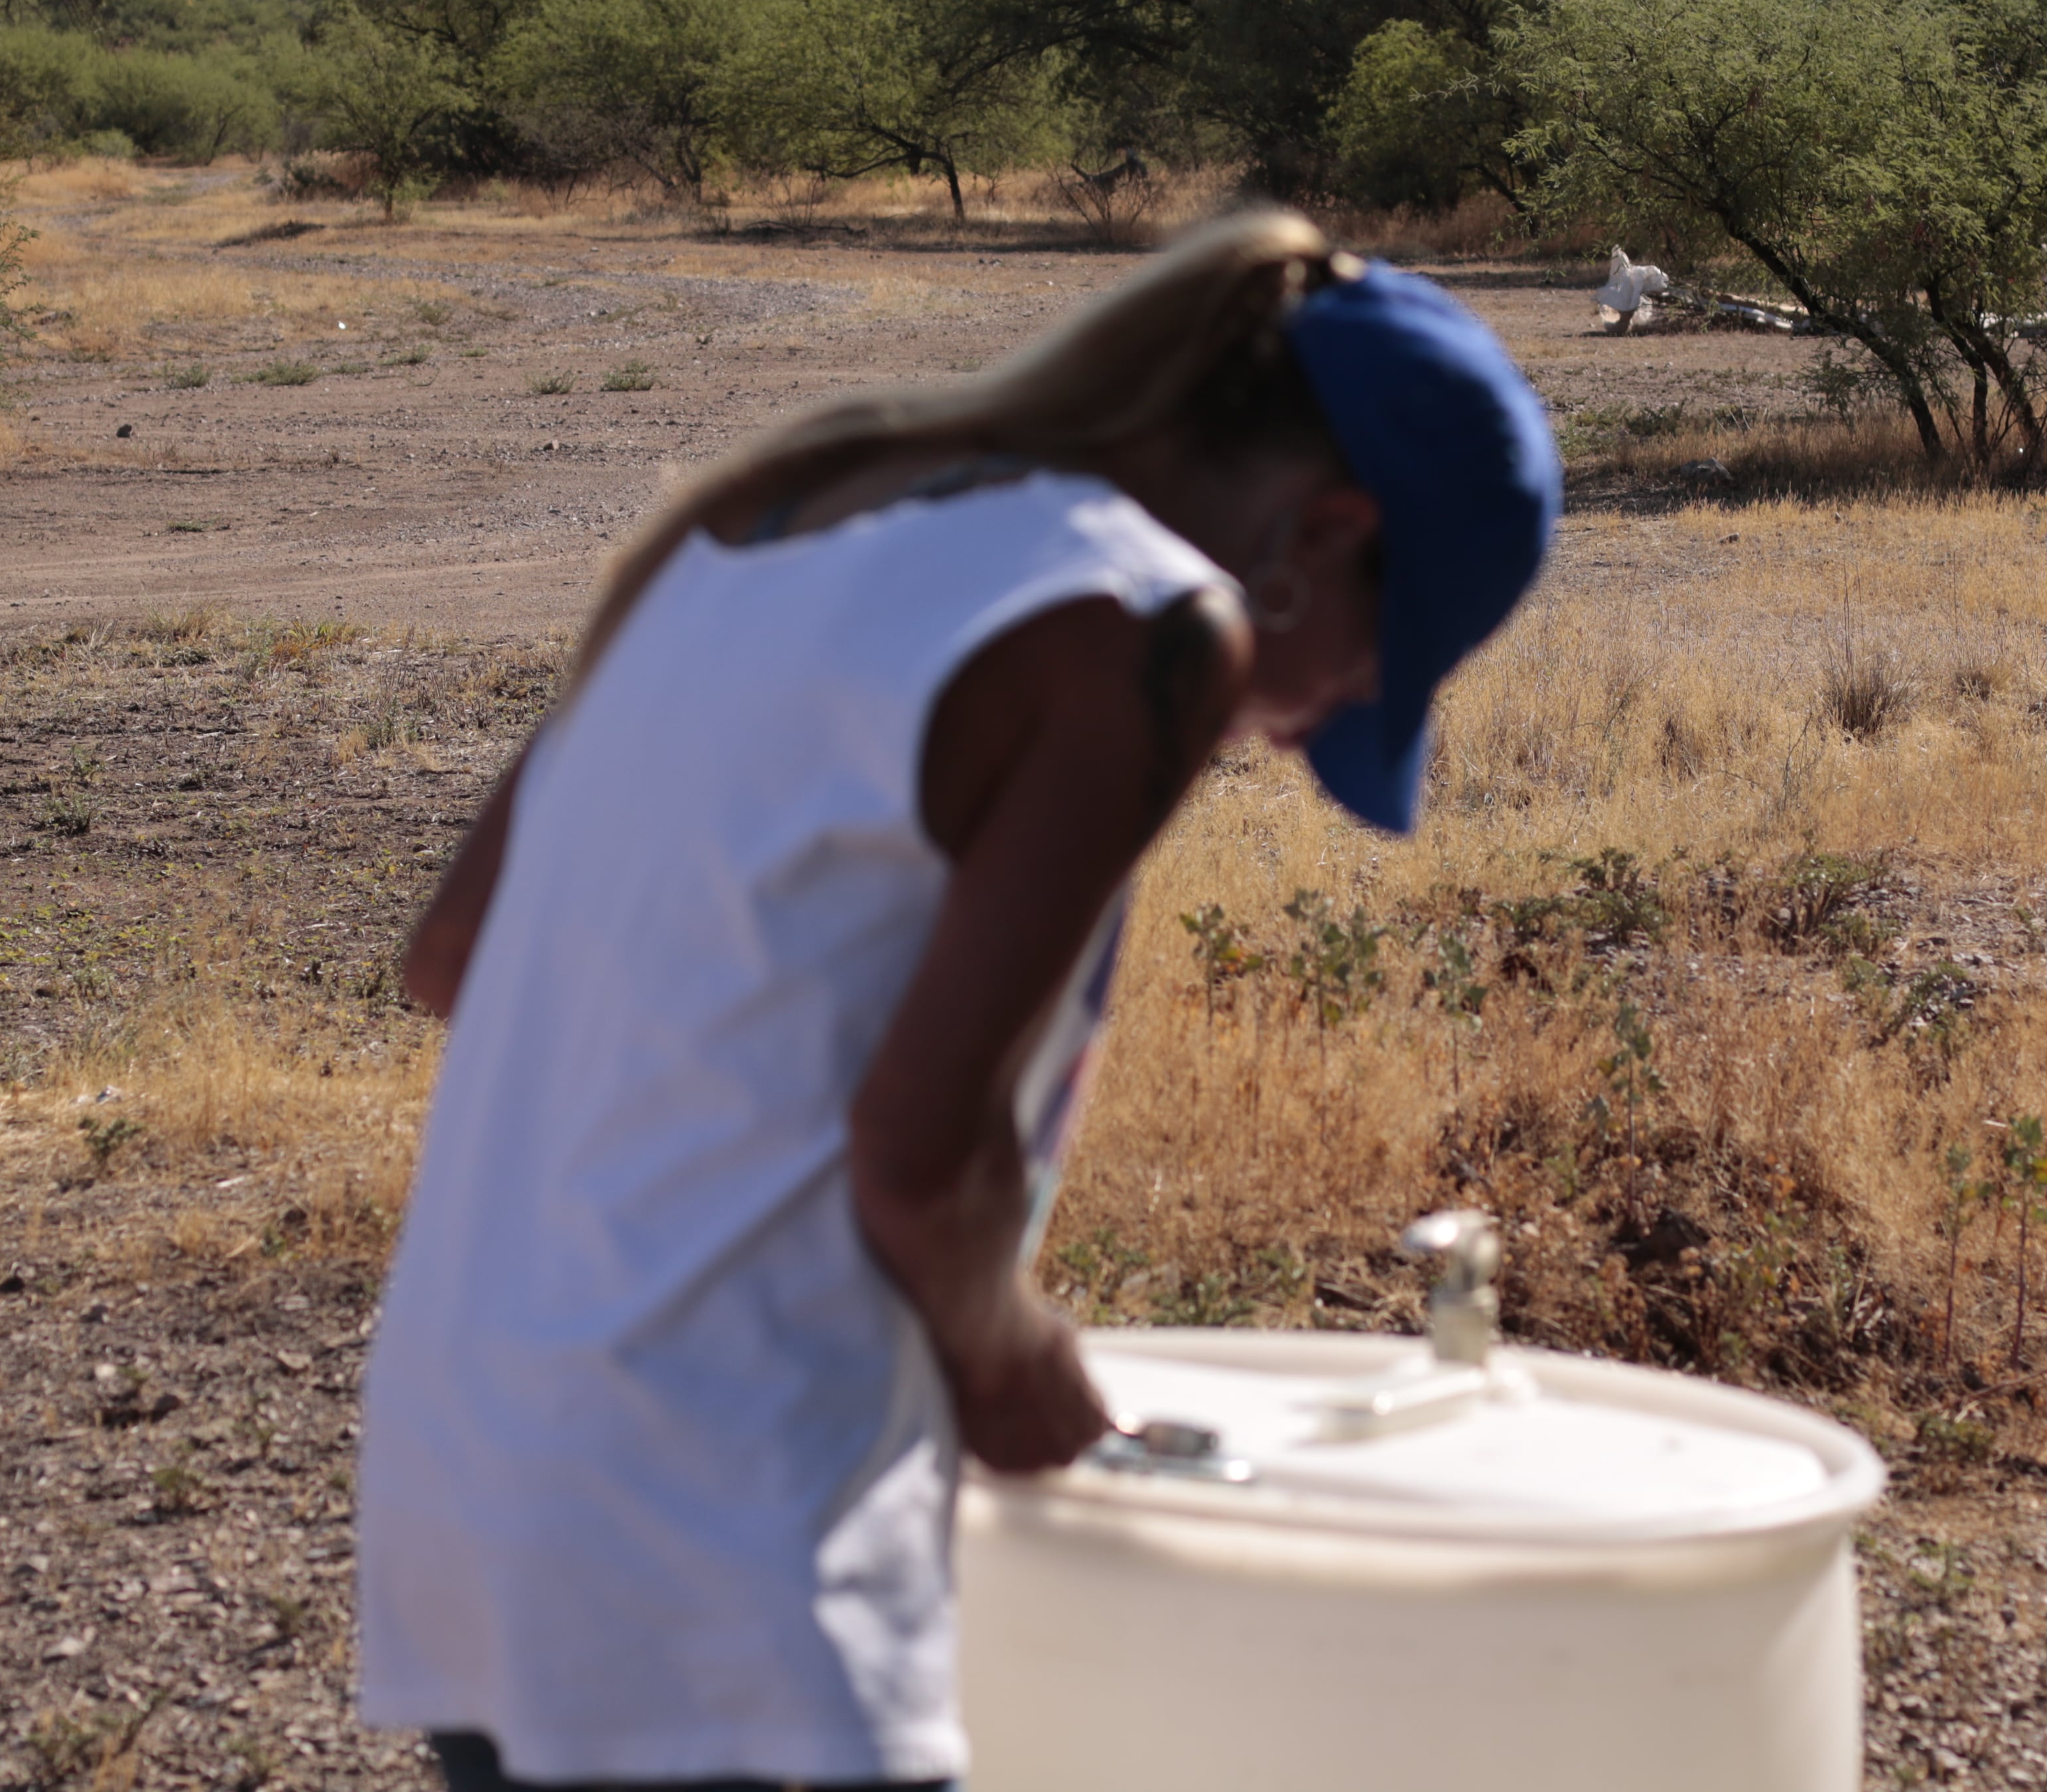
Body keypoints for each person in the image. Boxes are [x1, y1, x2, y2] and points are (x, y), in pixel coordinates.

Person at [356, 209, 1559, 1791]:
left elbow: (454, 950)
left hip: (480, 1461)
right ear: (1321, 535)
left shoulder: (771, 516)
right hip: (723, 1529)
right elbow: (923, 1152)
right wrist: (1012, 1362)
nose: (1308, 726)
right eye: (1365, 669)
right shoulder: (1142, 624)